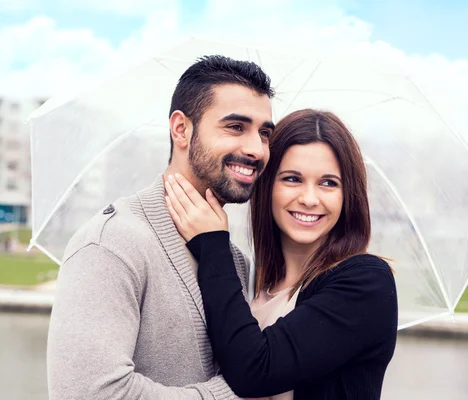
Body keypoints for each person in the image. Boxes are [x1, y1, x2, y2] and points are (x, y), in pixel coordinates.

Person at [47, 55, 276, 399]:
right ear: (181, 128)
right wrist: (238, 390)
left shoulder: (234, 260)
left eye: (264, 133)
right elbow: (90, 394)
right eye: (235, 127)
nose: (256, 149)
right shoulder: (112, 244)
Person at [165, 109, 398, 399]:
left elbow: (255, 370)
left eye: (328, 183)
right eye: (292, 179)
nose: (309, 199)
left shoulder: (365, 282)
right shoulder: (254, 285)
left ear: (347, 195)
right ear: (267, 185)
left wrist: (213, 244)